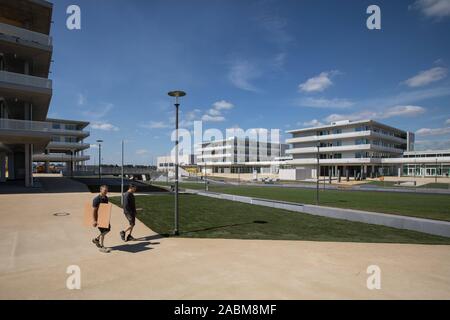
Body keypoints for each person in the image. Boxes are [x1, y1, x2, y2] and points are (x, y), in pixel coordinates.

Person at [92, 185, 111, 253]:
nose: (106, 192)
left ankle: (96, 239)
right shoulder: (96, 199)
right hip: (99, 218)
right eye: (105, 190)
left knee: (108, 229)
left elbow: (105, 208)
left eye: (107, 190)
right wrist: (94, 220)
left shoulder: (106, 198)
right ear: (101, 190)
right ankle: (102, 246)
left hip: (104, 217)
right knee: (103, 231)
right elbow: (94, 211)